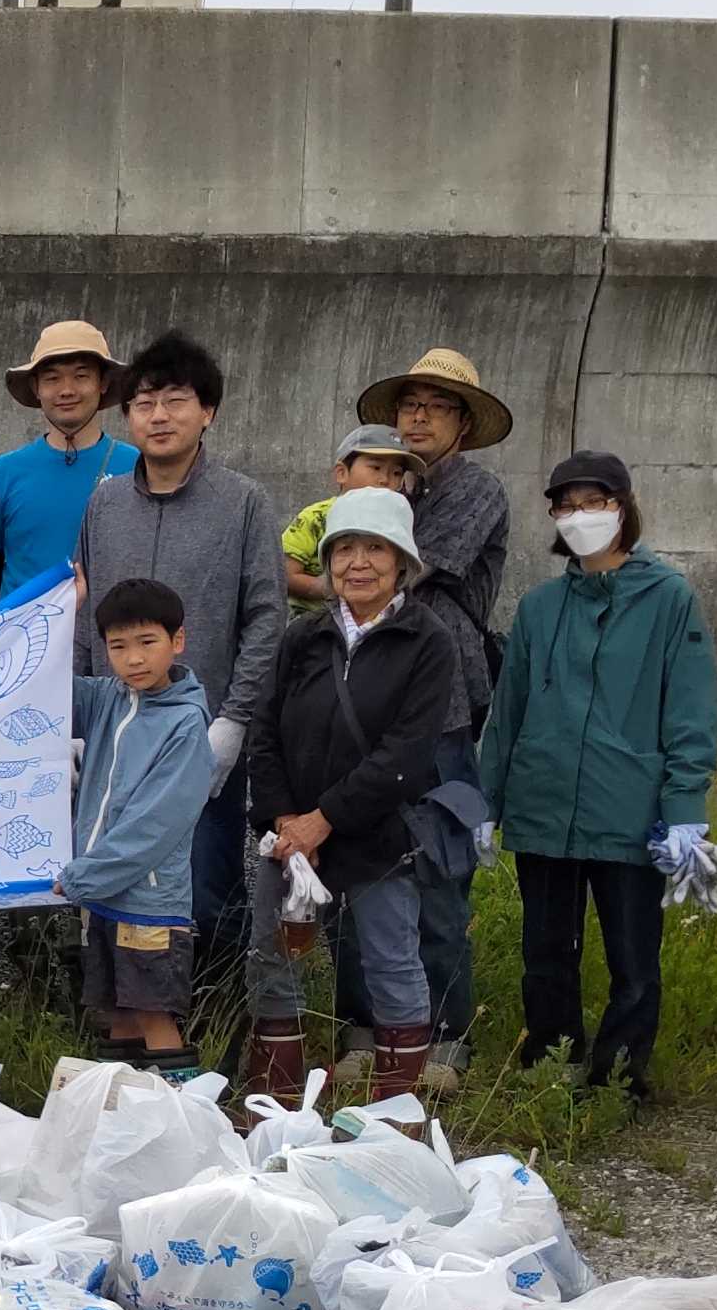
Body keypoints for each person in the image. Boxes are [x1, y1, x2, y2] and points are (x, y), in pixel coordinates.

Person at [481, 450, 717, 1101]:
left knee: (634, 958)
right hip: (544, 803)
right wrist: (487, 799)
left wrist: (684, 803)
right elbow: (509, 711)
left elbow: (691, 706)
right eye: (567, 505)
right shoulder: (539, 608)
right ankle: (553, 1062)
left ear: (623, 507)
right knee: (547, 953)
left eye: (595, 502)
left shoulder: (669, 598)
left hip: (629, 807)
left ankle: (619, 1077)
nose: (580, 516)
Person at [239, 488, 468, 1101]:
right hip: (291, 839)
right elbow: (266, 732)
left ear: (401, 561)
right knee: (273, 954)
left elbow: (406, 753)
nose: (357, 562)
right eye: (343, 548)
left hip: (377, 832)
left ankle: (396, 1108)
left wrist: (324, 819)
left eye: (374, 547)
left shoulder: (428, 641)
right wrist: (287, 821)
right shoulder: (302, 636)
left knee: (390, 957)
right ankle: (275, 1097)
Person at [338, 344, 523, 1079]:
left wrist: (361, 523)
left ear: (464, 426)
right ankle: (363, 1028)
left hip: (444, 707)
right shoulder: (382, 487)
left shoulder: (472, 492)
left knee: (439, 870)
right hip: (362, 702)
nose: (418, 416)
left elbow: (405, 563)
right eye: (409, 404)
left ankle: (444, 1037)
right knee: (356, 864)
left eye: (437, 406)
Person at [75, 330, 285, 963]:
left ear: (208, 412)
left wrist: (235, 720)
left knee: (206, 888)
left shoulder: (243, 501)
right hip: (118, 733)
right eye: (143, 403)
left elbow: (266, 618)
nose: (159, 416)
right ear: (127, 418)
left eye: (175, 400)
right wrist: (80, 723)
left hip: (203, 736)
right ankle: (126, 1036)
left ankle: (213, 1034)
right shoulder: (105, 503)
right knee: (117, 881)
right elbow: (90, 620)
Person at [63, 577, 216, 1078]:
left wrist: (85, 877)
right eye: (118, 647)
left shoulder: (186, 723)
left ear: (178, 641)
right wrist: (64, 611)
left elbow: (155, 826)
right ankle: (122, 1123)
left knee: (153, 1011)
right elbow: (42, 688)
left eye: (148, 643)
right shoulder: (106, 699)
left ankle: (185, 1116)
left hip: (149, 901)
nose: (133, 660)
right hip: (101, 897)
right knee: (116, 1014)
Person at [0, 319, 133, 597]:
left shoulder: (137, 466)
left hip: (111, 637)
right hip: (27, 637)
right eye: (52, 378)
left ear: (103, 383)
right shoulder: (3, 473)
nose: (66, 390)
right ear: (36, 387)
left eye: (81, 376)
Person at [281, 424, 423, 613]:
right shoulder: (316, 517)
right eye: (376, 467)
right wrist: (333, 588)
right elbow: (283, 574)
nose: (385, 479)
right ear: (341, 473)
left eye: (396, 473)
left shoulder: (397, 522)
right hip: (313, 622)